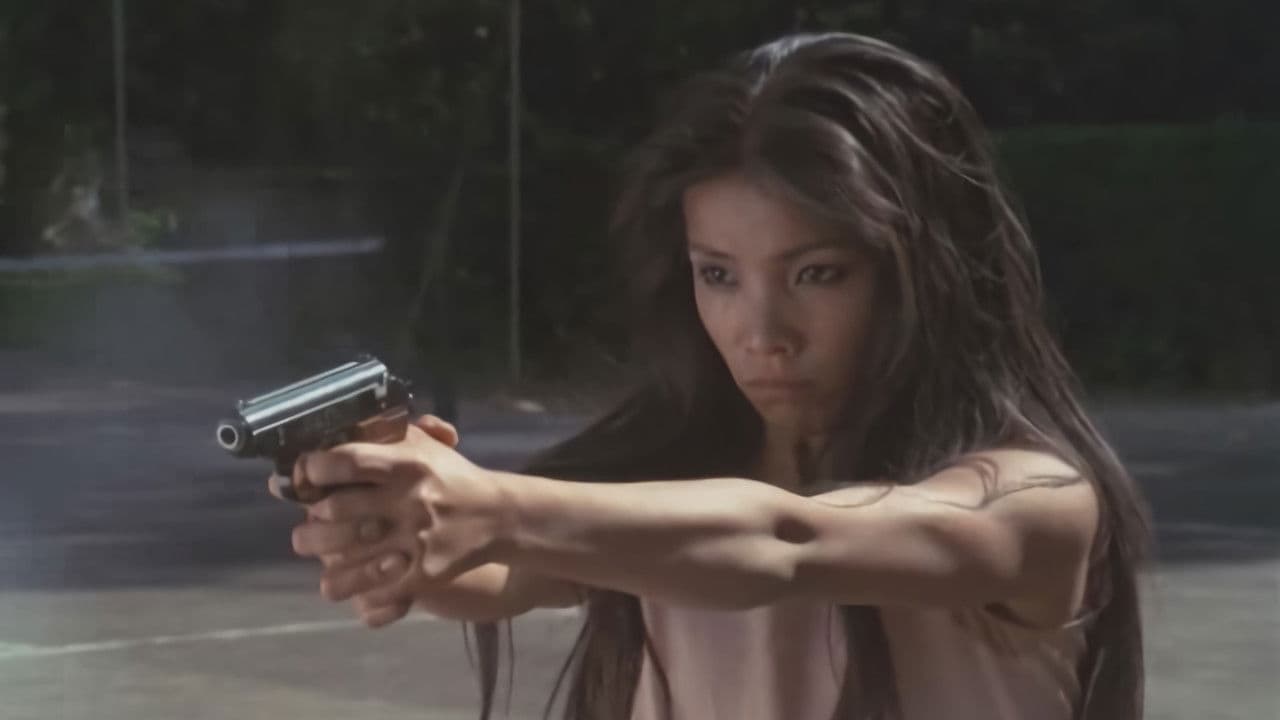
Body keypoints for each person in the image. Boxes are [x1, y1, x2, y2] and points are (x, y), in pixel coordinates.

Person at [276, 32, 1151, 720]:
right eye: (719, 274)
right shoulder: (669, 479)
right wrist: (393, 516)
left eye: (817, 274)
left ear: (928, 272)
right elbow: (498, 575)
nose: (761, 333)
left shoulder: (1034, 500)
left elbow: (786, 542)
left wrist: (494, 507)